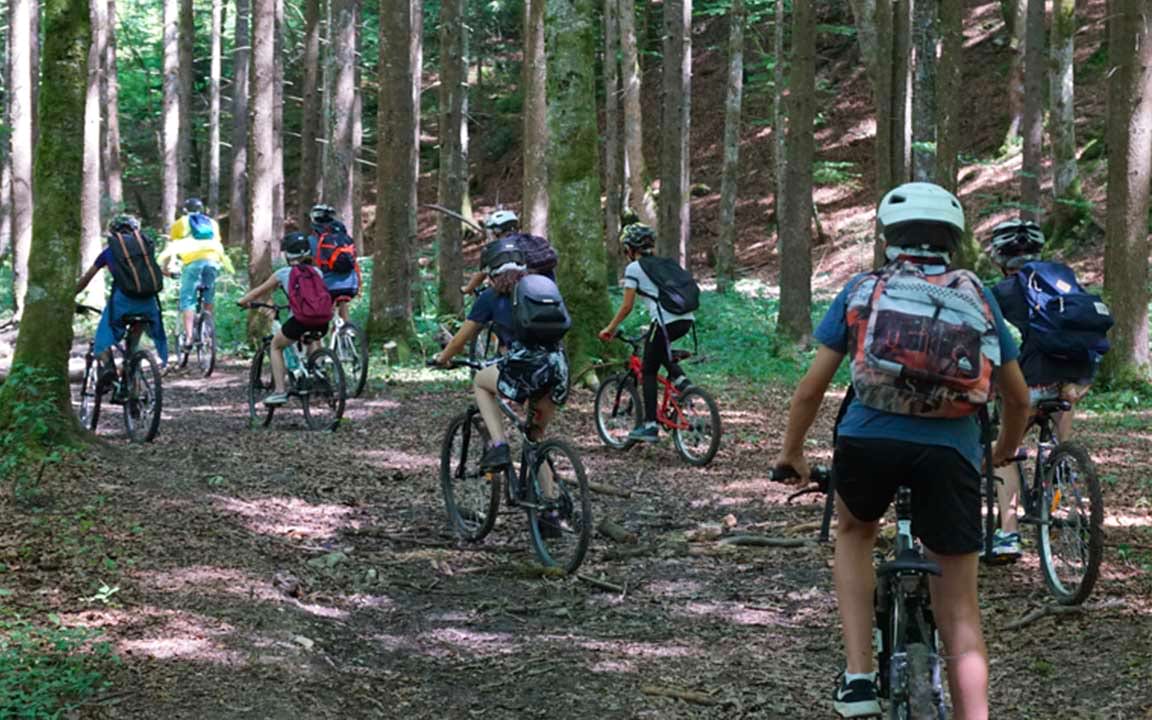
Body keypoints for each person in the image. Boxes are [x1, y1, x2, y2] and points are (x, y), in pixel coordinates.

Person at [772, 182, 1031, 719]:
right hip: (953, 449)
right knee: (960, 607)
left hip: (867, 441)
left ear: (889, 237)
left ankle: (860, 679)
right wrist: (1002, 450)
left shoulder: (862, 289)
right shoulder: (976, 295)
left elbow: (810, 389)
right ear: (952, 240)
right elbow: (1018, 396)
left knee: (855, 531)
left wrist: (792, 454)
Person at [985, 219, 1101, 560]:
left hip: (1026, 388)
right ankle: (1060, 459)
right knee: (1061, 400)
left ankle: (1008, 534)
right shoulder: (1064, 280)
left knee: (1005, 450)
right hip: (1074, 381)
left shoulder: (998, 293)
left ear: (998, 258)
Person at [435, 240, 570, 478]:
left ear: (490, 271)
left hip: (526, 367)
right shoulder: (541, 287)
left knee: (480, 381)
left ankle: (499, 446)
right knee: (535, 439)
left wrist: (443, 358)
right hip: (557, 366)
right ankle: (550, 506)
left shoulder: (490, 296)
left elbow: (459, 340)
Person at [598, 223, 695, 443]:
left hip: (665, 322)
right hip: (686, 320)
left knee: (649, 369)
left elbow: (626, 306)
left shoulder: (634, 268)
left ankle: (650, 426)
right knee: (657, 350)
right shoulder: (665, 263)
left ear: (629, 249)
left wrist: (609, 329)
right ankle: (683, 384)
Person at [236, 232, 333, 406]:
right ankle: (318, 370)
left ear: (288, 254)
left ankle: (280, 391)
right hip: (323, 320)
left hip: (300, 321)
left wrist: (242, 301)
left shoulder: (283, 273)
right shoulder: (317, 271)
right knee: (312, 337)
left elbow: (260, 290)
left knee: (275, 345)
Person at [76, 215, 170, 379]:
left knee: (101, 340)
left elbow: (87, 278)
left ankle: (109, 369)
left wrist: (71, 294)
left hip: (122, 303)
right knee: (133, 345)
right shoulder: (144, 249)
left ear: (114, 233)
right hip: (149, 304)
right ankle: (132, 371)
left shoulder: (109, 252)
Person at [159, 198, 235, 351]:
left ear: (185, 210)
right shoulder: (212, 223)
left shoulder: (181, 222)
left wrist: (166, 268)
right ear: (202, 209)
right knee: (209, 295)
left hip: (193, 263)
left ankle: (188, 338)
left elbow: (173, 246)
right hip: (213, 260)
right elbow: (217, 243)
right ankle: (208, 331)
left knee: (187, 299)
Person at [307, 203, 361, 323]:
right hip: (351, 284)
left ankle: (325, 336)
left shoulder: (312, 240)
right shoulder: (344, 237)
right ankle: (348, 330)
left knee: (321, 314)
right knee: (342, 304)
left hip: (328, 285)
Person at [460, 209, 532, 296]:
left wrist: (468, 289)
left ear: (497, 231)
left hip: (507, 290)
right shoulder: (526, 241)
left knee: (481, 306)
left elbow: (482, 274)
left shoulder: (494, 249)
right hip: (531, 286)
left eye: (491, 231)